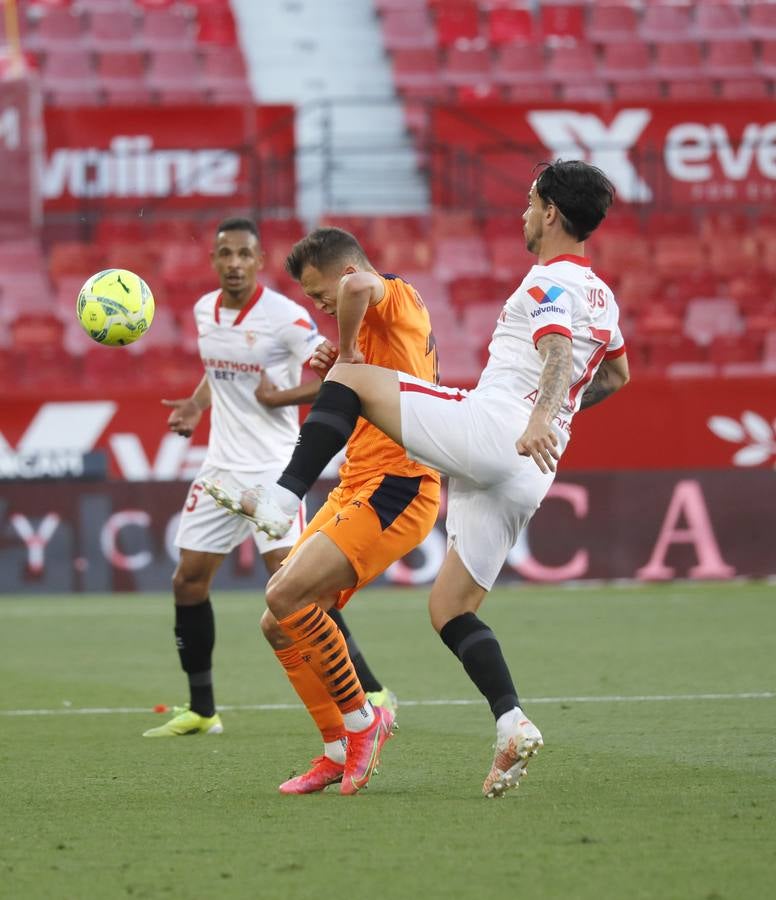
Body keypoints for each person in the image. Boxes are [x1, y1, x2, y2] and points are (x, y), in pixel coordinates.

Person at [208, 161, 631, 797]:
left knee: (349, 376)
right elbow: (617, 375)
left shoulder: (547, 281)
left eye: (529, 203)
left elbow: (557, 350)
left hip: (498, 431)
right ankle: (511, 721)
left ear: (550, 212)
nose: (523, 214)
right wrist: (555, 420)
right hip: (530, 469)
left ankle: (281, 496)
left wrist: (537, 416)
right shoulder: (604, 297)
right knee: (450, 609)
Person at [205, 226, 442, 794]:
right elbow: (366, 379)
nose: (320, 306)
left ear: (345, 273)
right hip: (358, 482)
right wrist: (343, 362)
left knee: (285, 597)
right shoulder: (383, 319)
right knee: (278, 624)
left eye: (319, 295)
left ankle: (365, 722)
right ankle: (336, 748)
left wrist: (349, 350)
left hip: (399, 486)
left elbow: (358, 287)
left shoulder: (390, 292)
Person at [143, 218, 394, 738]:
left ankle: (371, 690)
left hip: (275, 468)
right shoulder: (204, 311)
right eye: (225, 253)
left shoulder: (285, 317)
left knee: (297, 590)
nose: (234, 263)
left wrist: (279, 397)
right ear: (214, 260)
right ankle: (203, 710)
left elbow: (336, 375)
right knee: (188, 581)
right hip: (220, 468)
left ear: (259, 261)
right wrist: (195, 405)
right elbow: (219, 370)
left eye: (244, 254)